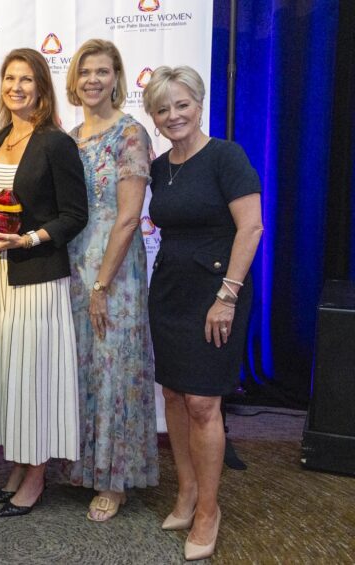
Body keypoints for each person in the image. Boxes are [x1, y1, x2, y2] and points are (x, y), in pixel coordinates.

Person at [143, 65, 262, 561]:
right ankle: (187, 492)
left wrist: (226, 296)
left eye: (182, 105)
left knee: (202, 403)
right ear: (153, 117)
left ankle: (210, 510)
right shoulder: (158, 167)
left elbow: (251, 228)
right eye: (162, 109)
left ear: (199, 104)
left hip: (216, 293)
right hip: (169, 290)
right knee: (174, 393)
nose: (173, 116)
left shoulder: (226, 156)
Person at [0, 48, 89, 517]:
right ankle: (20, 465)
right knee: (11, 375)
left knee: (34, 379)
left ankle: (37, 475)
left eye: (26, 79)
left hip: (38, 276)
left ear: (41, 87)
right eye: (10, 78)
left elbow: (75, 215)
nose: (16, 87)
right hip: (2, 275)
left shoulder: (55, 143)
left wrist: (29, 239)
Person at [50, 38, 159, 522]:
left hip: (115, 273)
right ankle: (84, 467)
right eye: (85, 71)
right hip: (72, 266)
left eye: (102, 71)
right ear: (73, 80)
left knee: (114, 368)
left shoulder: (131, 133)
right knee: (83, 368)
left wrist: (101, 285)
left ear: (116, 78)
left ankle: (114, 480)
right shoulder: (69, 137)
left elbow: (130, 217)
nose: (93, 79)